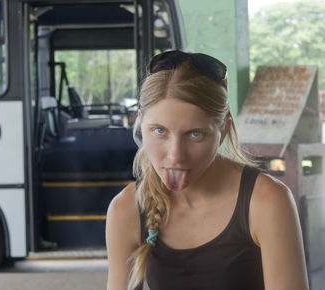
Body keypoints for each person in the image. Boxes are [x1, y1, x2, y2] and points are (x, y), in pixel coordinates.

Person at [106, 50, 309, 290]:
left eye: (195, 134)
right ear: (141, 123)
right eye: (159, 131)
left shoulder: (266, 200)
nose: (175, 155)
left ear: (223, 130)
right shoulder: (126, 209)